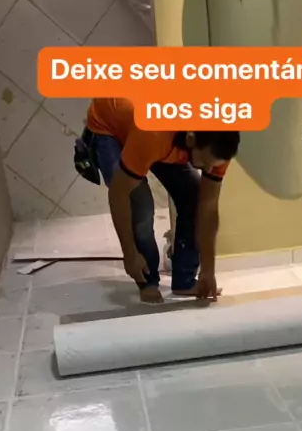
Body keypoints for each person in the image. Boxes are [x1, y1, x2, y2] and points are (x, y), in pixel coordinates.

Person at [77, 98, 240, 303]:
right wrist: (129, 253)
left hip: (149, 132)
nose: (209, 170)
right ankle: (147, 280)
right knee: (140, 203)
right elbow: (119, 194)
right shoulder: (154, 133)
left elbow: (208, 206)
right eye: (205, 162)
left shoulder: (220, 144)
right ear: (191, 139)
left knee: (194, 196)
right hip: (108, 125)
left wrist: (209, 269)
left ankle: (185, 280)